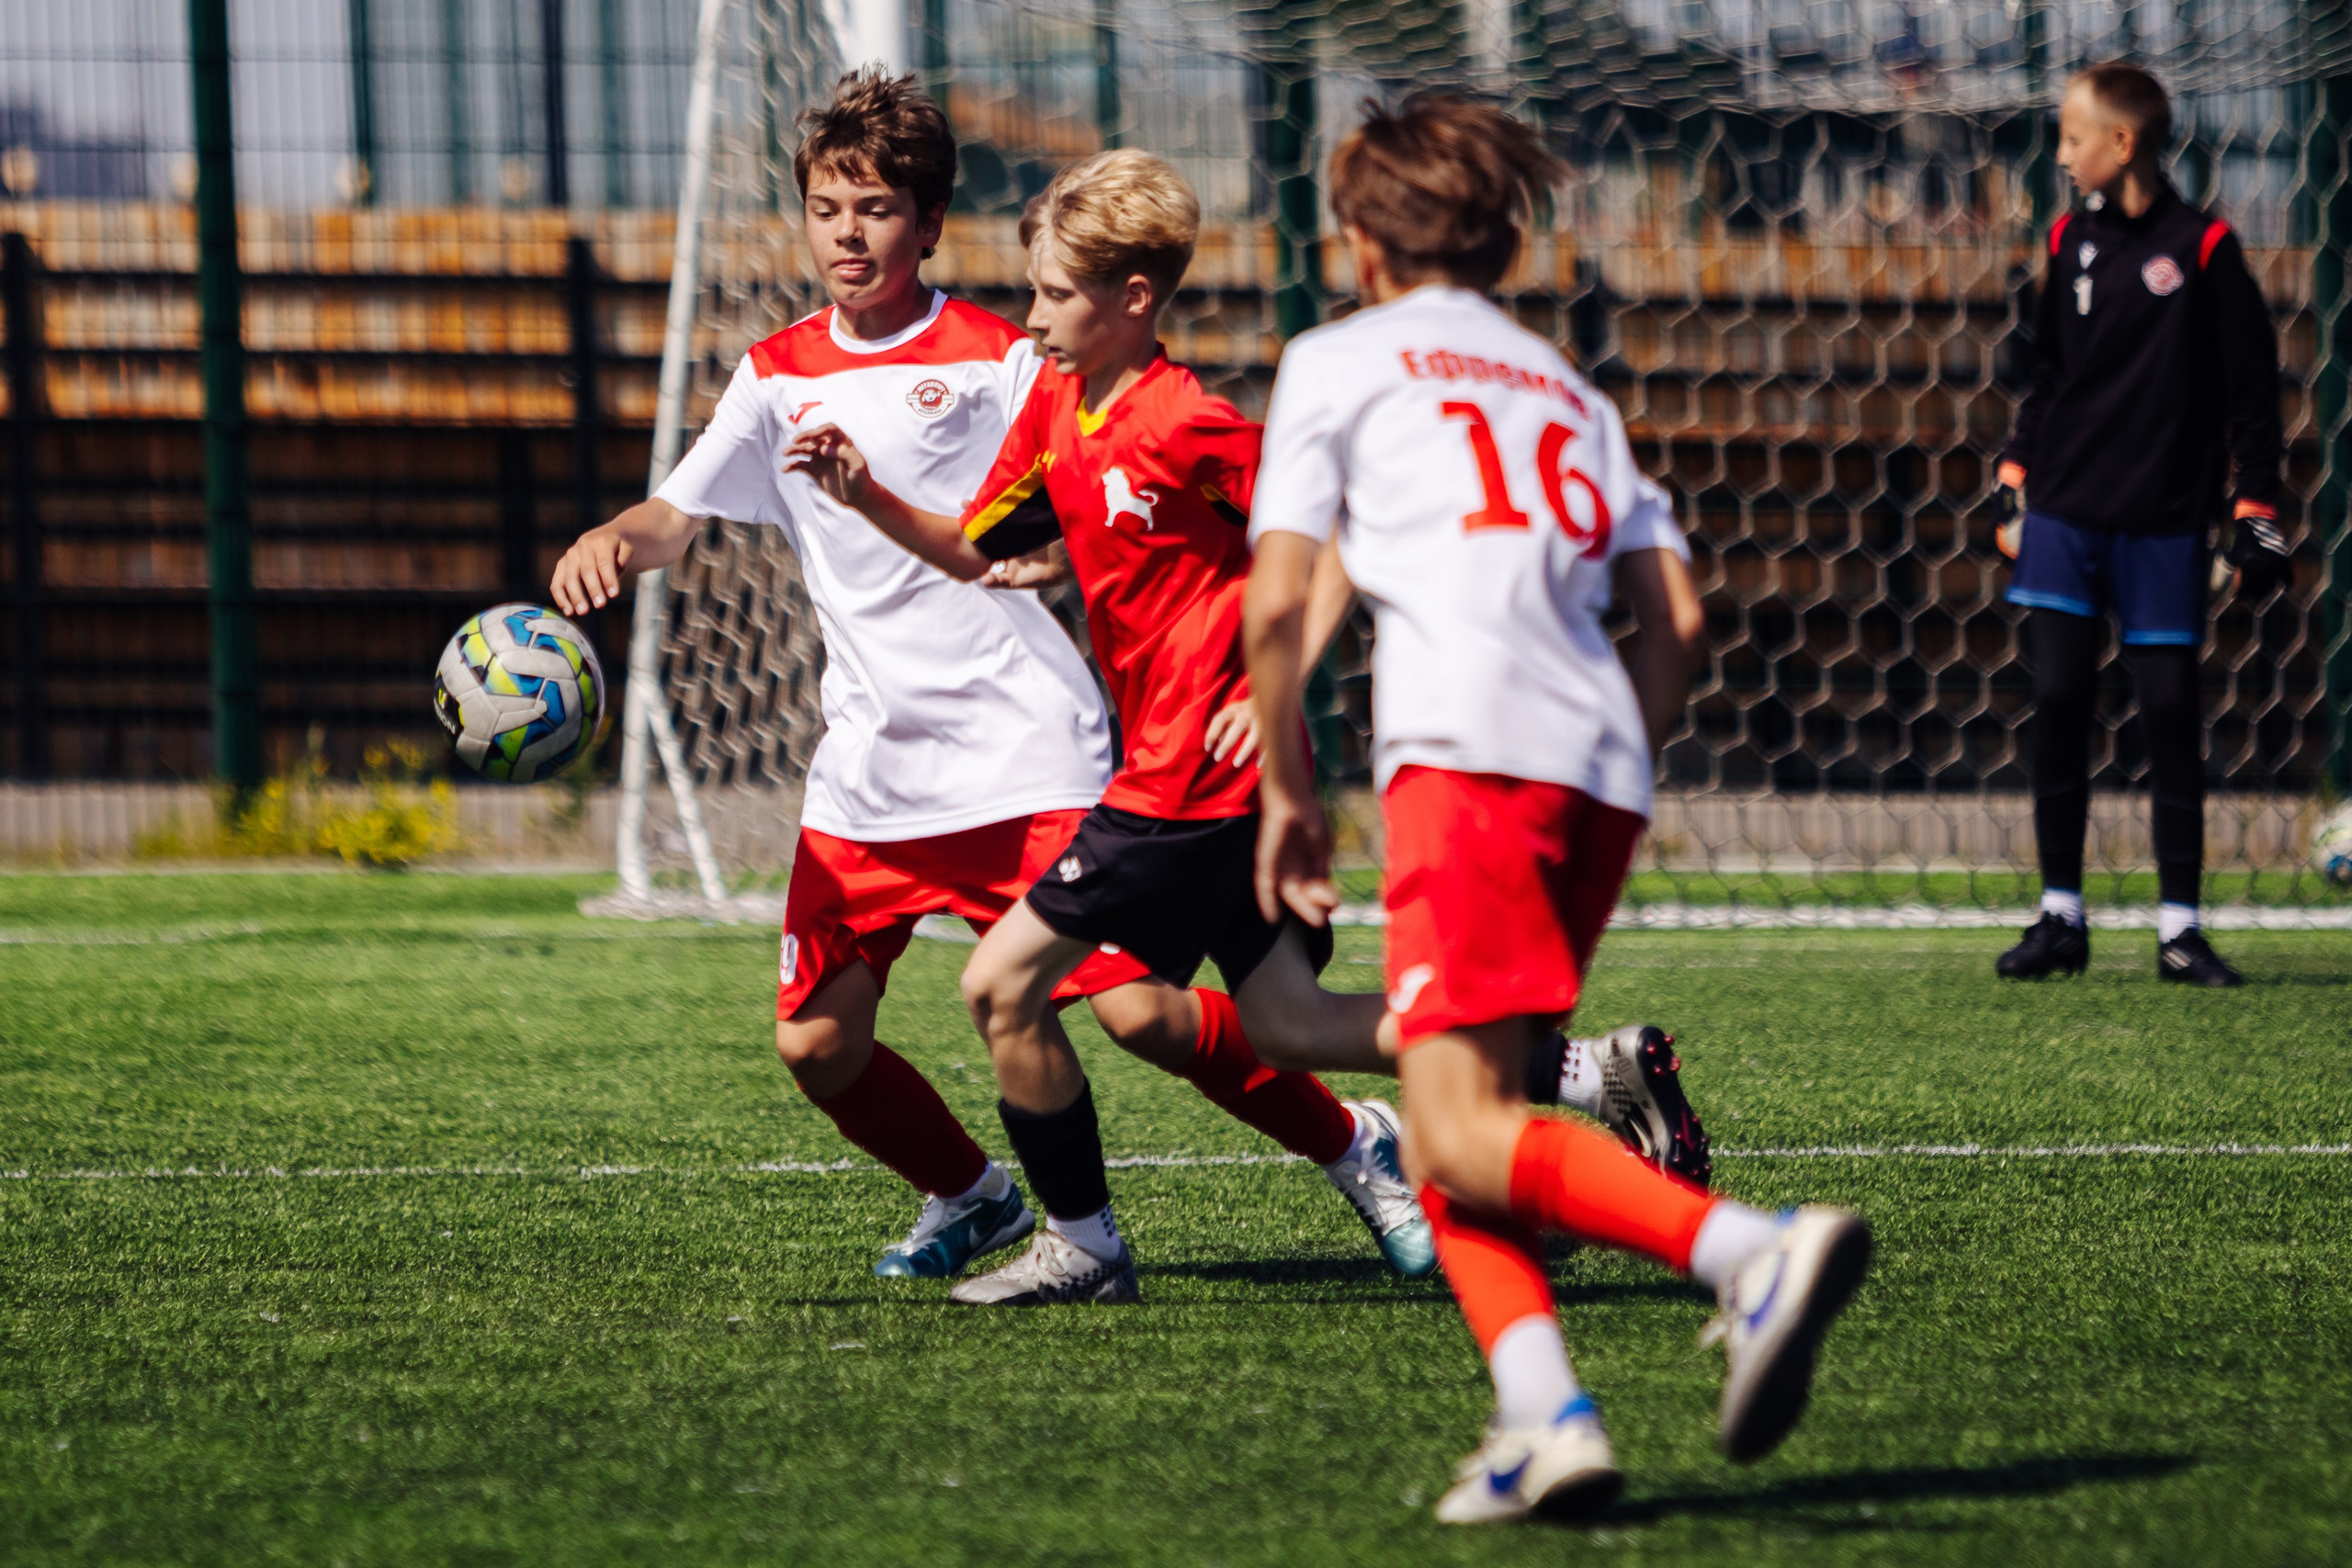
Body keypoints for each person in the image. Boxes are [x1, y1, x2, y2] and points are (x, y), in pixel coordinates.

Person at [549, 70, 1428, 1287]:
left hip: (1026, 747)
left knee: (1144, 1015)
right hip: (872, 767)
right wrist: (614, 538)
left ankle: (1354, 1144)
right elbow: (676, 512)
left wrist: (1051, 575)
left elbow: (1082, 500)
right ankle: (972, 1193)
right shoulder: (777, 372)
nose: (845, 234)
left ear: (925, 222)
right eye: (824, 207)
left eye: (873, 209)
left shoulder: (1006, 356)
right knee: (815, 1043)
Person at [1242, 96, 1871, 1522]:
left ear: (1357, 240)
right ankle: (1545, 1415)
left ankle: (1745, 1252)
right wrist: (1612, 763)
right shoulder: (1567, 389)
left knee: (1456, 1128)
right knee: (1467, 1107)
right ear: (1503, 237)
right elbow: (1681, 620)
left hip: (1467, 757)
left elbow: (1277, 599)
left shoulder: (1336, 358)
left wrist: (1289, 791)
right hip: (1596, 766)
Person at [1994, 61, 2287, 987]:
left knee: (2166, 714)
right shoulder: (2063, 240)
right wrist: (2013, 478)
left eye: (2072, 137)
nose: (2061, 153)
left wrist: (2256, 511)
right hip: (2064, 516)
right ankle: (2059, 916)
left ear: (2121, 144)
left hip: (2163, 521)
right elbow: (2044, 377)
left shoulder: (2205, 249)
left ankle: (2179, 927)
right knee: (2057, 707)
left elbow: (2251, 396)